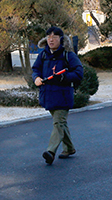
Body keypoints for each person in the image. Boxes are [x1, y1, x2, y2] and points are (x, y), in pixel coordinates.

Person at [32, 26, 84, 165]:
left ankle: (50, 151)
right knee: (61, 123)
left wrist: (63, 77)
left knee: (58, 122)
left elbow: (79, 73)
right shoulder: (43, 55)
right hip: (47, 95)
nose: (51, 40)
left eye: (54, 37)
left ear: (60, 39)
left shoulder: (68, 55)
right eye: (49, 37)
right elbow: (35, 69)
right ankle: (69, 148)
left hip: (63, 96)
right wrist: (36, 78)